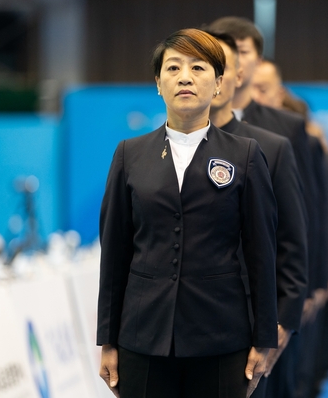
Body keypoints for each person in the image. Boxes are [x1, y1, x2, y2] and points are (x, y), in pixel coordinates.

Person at [96, 28, 278, 398]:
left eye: (198, 68)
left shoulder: (244, 154)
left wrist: (264, 339)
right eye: (173, 67)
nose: (184, 77)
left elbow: (262, 254)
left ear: (218, 85)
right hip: (142, 337)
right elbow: (114, 252)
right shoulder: (129, 154)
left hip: (222, 339)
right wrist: (108, 340)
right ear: (158, 84)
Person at [206, 17, 325, 398]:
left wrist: (292, 306)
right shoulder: (170, 143)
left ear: (244, 70)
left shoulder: (280, 136)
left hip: (261, 304)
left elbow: (299, 221)